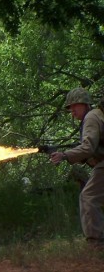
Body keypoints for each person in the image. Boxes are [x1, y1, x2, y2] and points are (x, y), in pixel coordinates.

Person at [50, 87, 104, 246]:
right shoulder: (96, 116)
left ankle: (97, 243)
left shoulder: (91, 117)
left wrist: (65, 155)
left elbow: (88, 148)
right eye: (69, 107)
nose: (72, 110)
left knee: (88, 197)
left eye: (75, 105)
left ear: (86, 104)